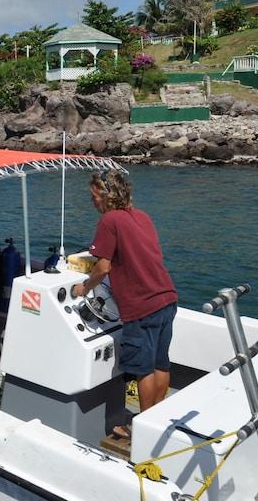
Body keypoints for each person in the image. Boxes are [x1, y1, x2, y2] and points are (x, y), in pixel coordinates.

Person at [71, 170, 178, 440]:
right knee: (160, 364)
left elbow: (103, 267)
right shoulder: (142, 217)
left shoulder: (109, 220)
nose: (92, 201)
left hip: (141, 306)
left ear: (106, 196)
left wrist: (84, 287)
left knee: (142, 370)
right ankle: (156, 420)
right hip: (166, 298)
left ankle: (142, 430)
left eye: (94, 196)